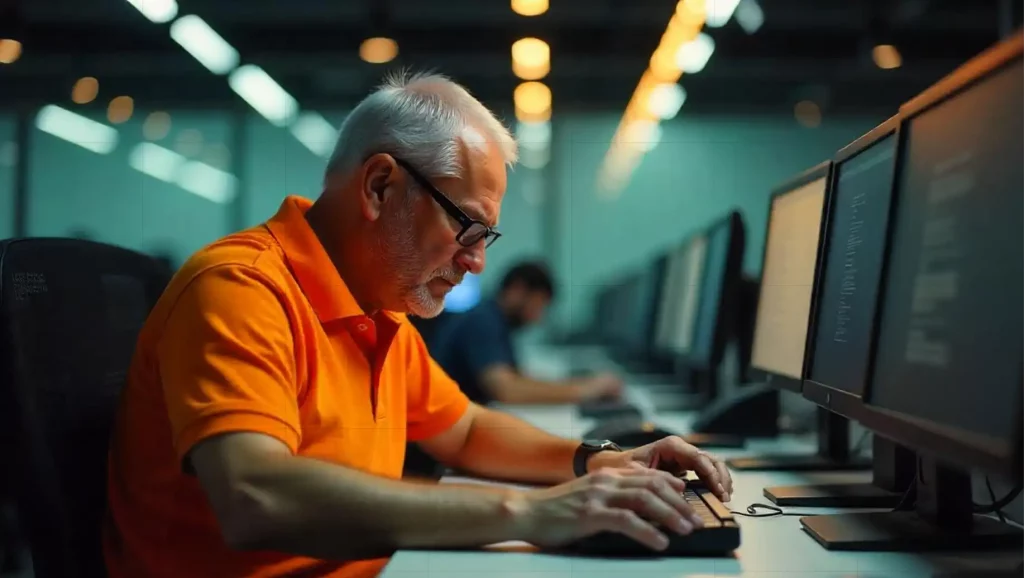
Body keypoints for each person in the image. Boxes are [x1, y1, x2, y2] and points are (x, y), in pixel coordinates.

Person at [103, 71, 734, 578]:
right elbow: (253, 494)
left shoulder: (382, 310)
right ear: (379, 186)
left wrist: (602, 462)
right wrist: (530, 512)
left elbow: (464, 433)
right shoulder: (241, 288)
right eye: (468, 227)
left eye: (487, 235)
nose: (478, 260)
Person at [426, 261, 624, 405]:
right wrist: (587, 390)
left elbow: (515, 378)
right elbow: (507, 390)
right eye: (537, 306)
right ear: (517, 290)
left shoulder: (492, 317)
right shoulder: (483, 321)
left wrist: (579, 384)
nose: (536, 318)